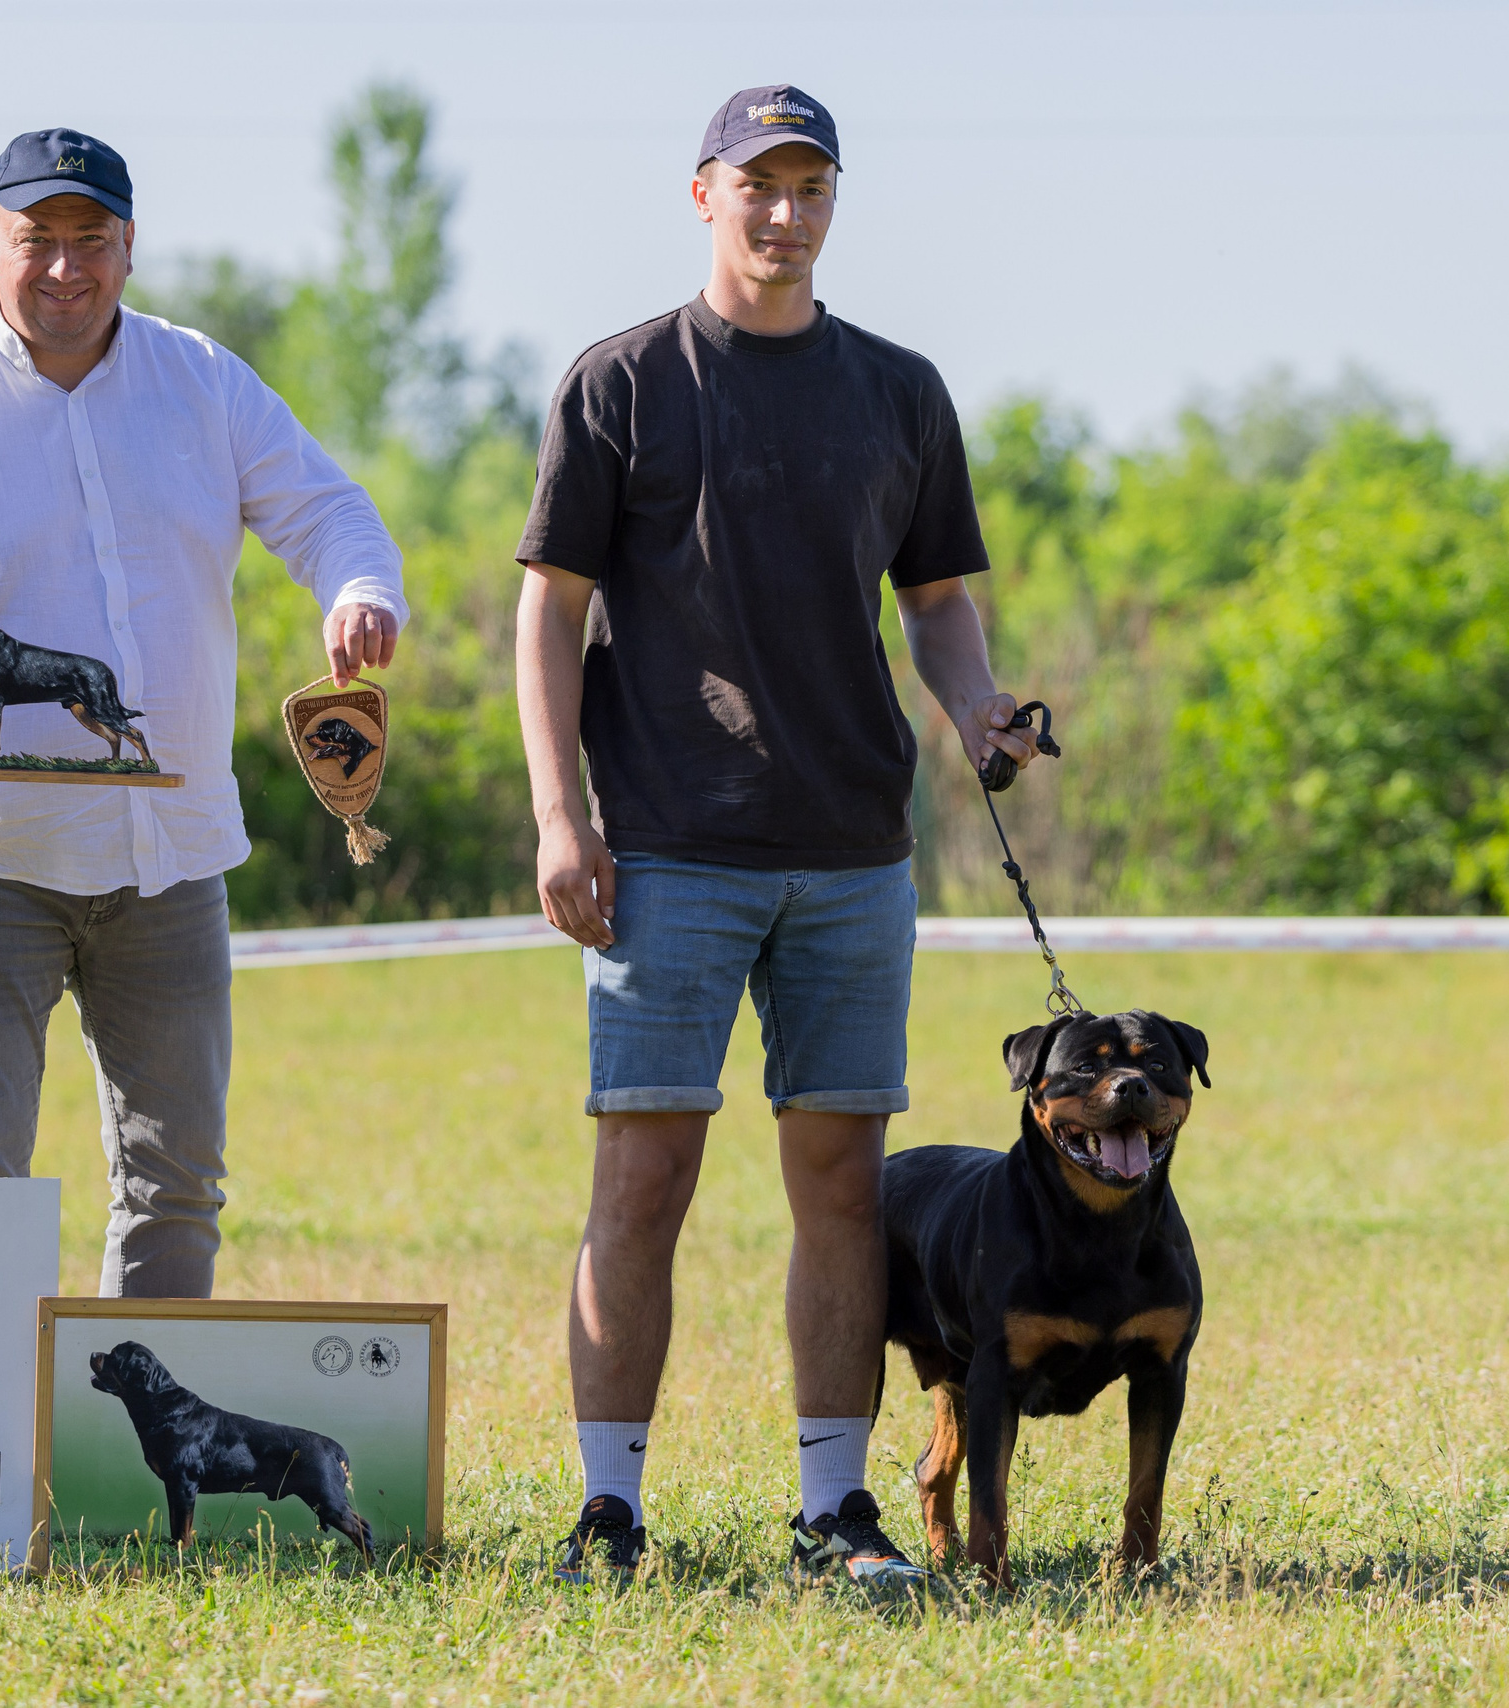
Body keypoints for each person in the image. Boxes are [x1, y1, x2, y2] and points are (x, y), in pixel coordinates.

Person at [515, 86, 1040, 1585]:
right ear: (704, 196)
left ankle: (833, 1511)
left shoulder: (899, 391)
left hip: (855, 851)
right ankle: (608, 1515)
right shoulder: (620, 383)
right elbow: (546, 618)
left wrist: (981, 707)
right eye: (757, 185)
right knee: (643, 1183)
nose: (783, 211)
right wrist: (564, 816)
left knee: (839, 1186)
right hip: (667, 849)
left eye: (809, 187)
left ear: (832, 203)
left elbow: (937, 605)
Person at [0, 129, 405, 1298]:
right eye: (38, 241)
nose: (65, 268)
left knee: (175, 1182)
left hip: (169, 866)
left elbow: (330, 513)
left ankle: (123, 1474)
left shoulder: (206, 382)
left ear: (131, 248)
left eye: (92, 241)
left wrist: (360, 591)